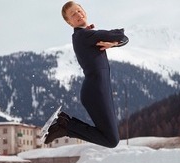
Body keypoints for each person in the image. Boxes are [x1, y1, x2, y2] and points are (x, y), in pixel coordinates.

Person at [44, 1, 129, 148]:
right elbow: (120, 34)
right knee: (111, 140)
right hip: (96, 92)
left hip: (100, 91)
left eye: (78, 10)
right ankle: (65, 126)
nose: (78, 14)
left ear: (84, 10)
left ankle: (65, 124)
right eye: (73, 14)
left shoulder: (87, 34)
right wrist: (114, 42)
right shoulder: (84, 35)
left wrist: (113, 43)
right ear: (69, 23)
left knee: (111, 138)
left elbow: (123, 38)